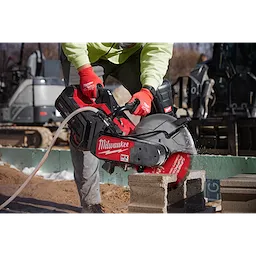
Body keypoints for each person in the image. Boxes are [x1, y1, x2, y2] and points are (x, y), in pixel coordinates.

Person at [60, 40, 174, 216]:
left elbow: (159, 48)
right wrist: (84, 69)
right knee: (84, 126)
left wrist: (148, 91)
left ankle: (164, 194)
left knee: (158, 101)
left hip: (131, 56)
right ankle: (91, 205)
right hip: (87, 53)